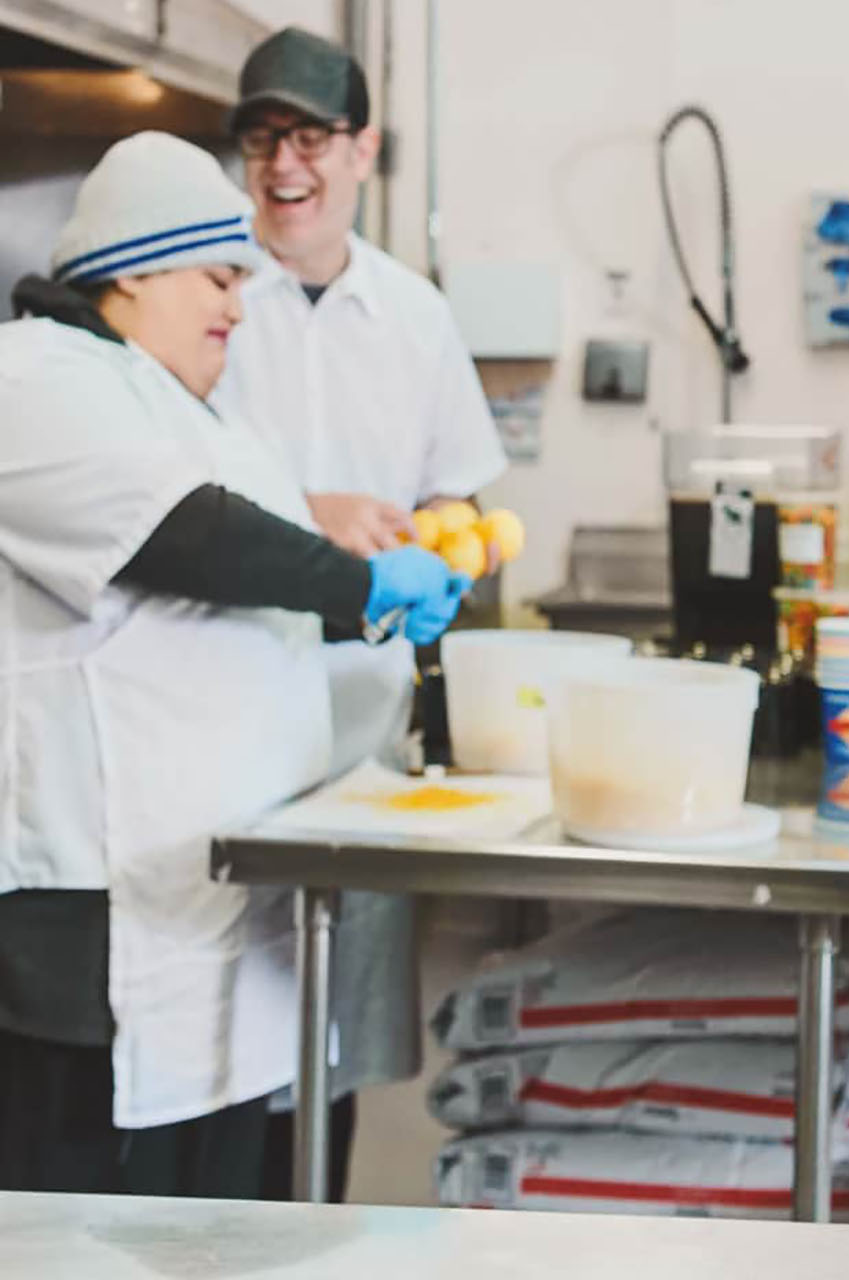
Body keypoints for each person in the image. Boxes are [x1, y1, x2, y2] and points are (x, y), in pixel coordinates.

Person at [0, 131, 467, 1197]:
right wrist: (359, 587)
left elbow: (231, 602)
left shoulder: (180, 403)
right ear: (132, 268)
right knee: (80, 1237)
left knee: (207, 1231)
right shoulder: (30, 374)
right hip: (90, 918)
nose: (237, 306)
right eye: (219, 276)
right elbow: (188, 537)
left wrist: (357, 617)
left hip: (206, 919)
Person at [208, 27, 509, 1202]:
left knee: (328, 1035)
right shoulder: (213, 290)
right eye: (262, 135)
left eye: (312, 136)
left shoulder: (415, 314)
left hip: (368, 715)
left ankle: (310, 1235)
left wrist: (441, 533)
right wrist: (306, 519)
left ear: (363, 150)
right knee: (229, 1039)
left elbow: (460, 487)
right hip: (232, 689)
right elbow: (176, 489)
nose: (286, 163)